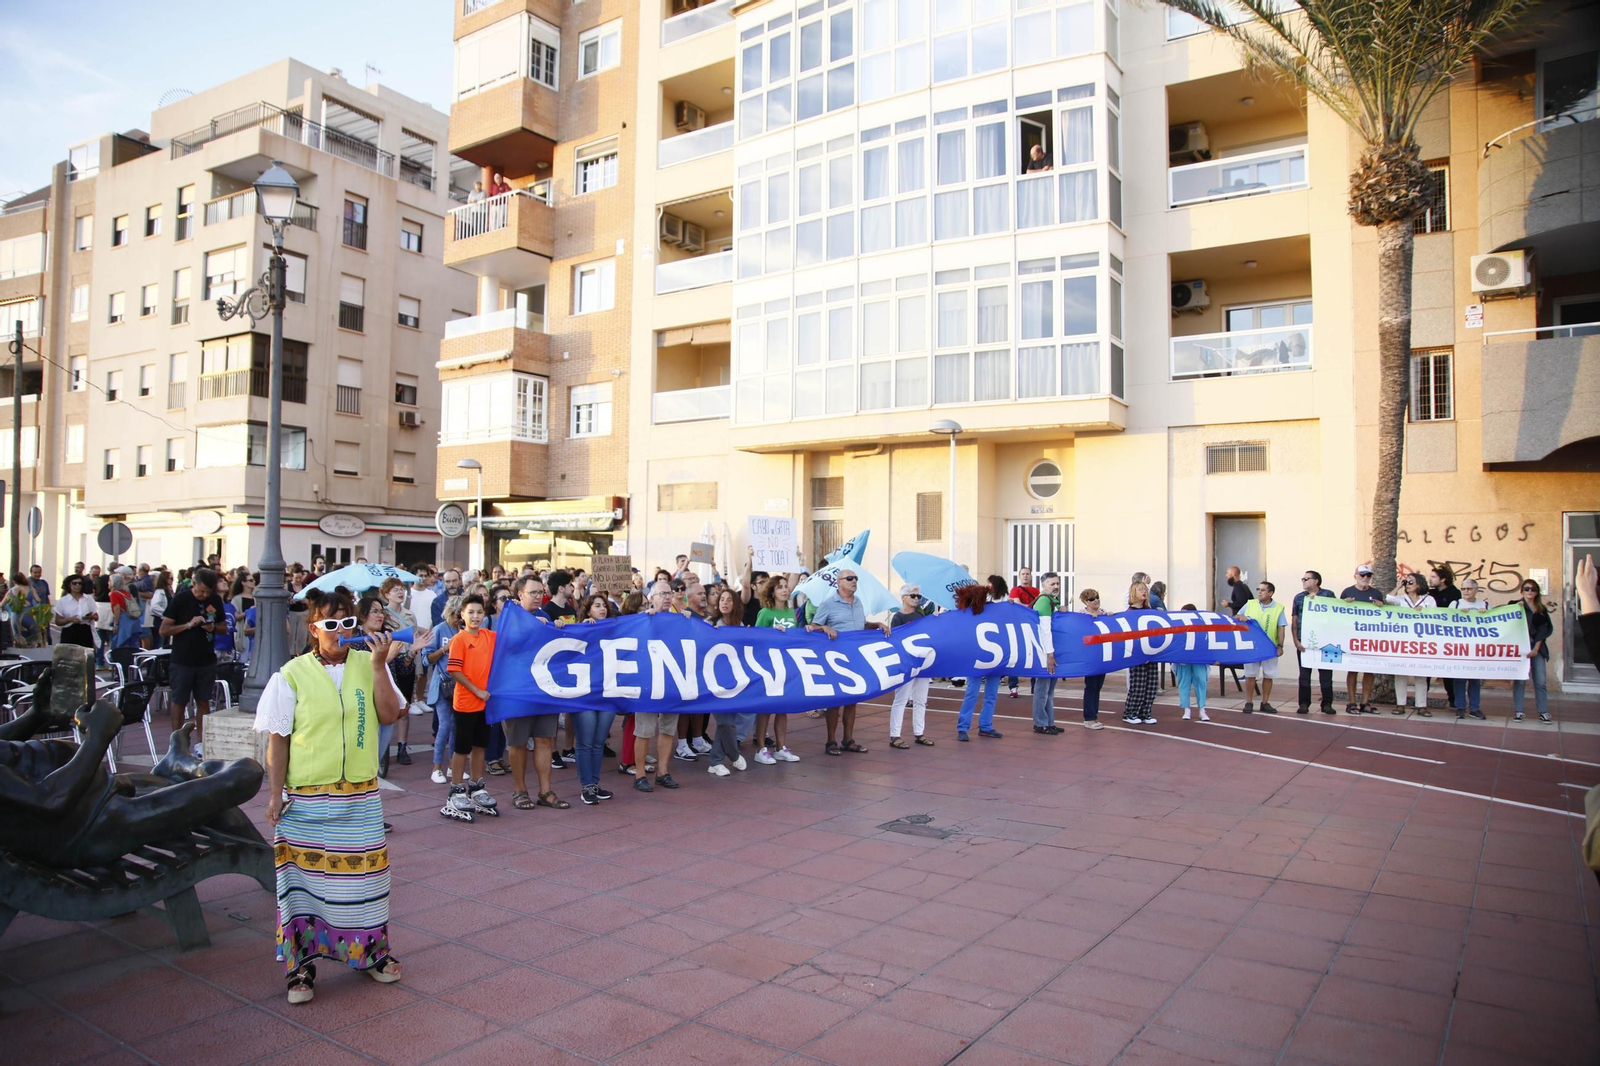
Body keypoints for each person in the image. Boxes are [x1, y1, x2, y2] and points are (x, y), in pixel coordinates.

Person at [255, 586, 404, 1005]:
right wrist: (273, 795)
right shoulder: (291, 674)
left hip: (358, 798)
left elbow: (390, 715)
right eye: (331, 623)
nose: (341, 631)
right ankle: (301, 967)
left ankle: (371, 954)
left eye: (348, 622)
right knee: (301, 887)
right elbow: (278, 740)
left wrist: (378, 666)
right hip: (306, 800)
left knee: (367, 883)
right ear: (314, 627)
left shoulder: (370, 663)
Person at [808, 567, 885, 754]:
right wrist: (825, 627)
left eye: (856, 578)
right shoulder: (828, 604)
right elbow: (812, 627)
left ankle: (848, 740)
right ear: (839, 582)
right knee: (836, 700)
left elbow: (861, 625)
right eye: (849, 578)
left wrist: (878, 625)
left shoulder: (858, 602)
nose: (854, 581)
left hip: (856, 657)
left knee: (853, 700)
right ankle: (831, 741)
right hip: (836, 659)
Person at [440, 594, 501, 821]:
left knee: (480, 746)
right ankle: (456, 789)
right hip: (467, 702)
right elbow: (454, 670)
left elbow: (513, 635)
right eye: (471, 612)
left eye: (479, 612)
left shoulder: (488, 636)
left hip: (485, 703)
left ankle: (476, 786)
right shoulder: (459, 639)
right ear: (462, 615)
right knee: (462, 747)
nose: (475, 616)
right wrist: (476, 690)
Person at [631, 582, 682, 793]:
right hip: (649, 682)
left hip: (673, 681)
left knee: (668, 728)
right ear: (651, 598)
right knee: (644, 730)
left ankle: (663, 771)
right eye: (662, 594)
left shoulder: (681, 620)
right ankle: (640, 773)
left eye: (669, 593)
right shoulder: (643, 620)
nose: (668, 597)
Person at [571, 594, 618, 805]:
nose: (602, 609)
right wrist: (582, 627)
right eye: (597, 606)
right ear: (588, 610)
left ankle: (595, 784)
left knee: (598, 742)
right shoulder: (581, 629)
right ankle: (586, 786)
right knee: (585, 742)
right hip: (585, 695)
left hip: (607, 693)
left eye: (604, 606)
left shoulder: (613, 629)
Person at [752, 573, 804, 761]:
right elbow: (756, 639)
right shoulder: (765, 613)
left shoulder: (791, 612)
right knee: (766, 708)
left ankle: (781, 747)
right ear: (772, 592)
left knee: (783, 707)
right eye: (780, 587)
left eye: (785, 586)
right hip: (768, 665)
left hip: (786, 664)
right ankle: (760, 749)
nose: (785, 589)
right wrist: (772, 633)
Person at [705, 586, 750, 778]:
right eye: (722, 599)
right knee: (725, 721)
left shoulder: (740, 625)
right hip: (713, 681)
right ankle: (731, 754)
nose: (724, 602)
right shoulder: (710, 623)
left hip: (734, 681)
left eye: (729, 599)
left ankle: (715, 762)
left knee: (727, 722)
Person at [886, 584, 936, 749]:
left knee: (921, 700)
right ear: (903, 597)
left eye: (918, 596)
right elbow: (896, 641)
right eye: (913, 596)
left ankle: (919, 733)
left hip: (921, 662)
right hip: (907, 663)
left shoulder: (920, 615)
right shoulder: (898, 618)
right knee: (901, 699)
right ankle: (895, 735)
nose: (916, 599)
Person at [954, 583, 1006, 742]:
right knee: (974, 693)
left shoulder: (992, 609)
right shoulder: (967, 614)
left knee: (988, 694)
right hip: (978, 658)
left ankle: (984, 726)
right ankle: (965, 727)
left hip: (992, 657)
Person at [1386, 574, 1437, 715]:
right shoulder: (1402, 600)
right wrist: (1399, 585)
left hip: (1421, 642)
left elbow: (1435, 617)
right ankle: (1400, 704)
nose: (1407, 584)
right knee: (1401, 674)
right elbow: (1389, 598)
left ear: (1419, 584)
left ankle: (1421, 705)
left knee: (1420, 674)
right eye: (1406, 582)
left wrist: (1424, 612)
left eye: (1410, 582)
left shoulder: (1428, 600)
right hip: (1403, 641)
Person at [423, 596, 461, 784]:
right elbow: (426, 658)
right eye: (455, 614)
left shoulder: (464, 630)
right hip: (442, 685)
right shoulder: (439, 630)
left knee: (456, 728)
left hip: (460, 686)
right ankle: (436, 767)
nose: (457, 618)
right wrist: (445, 648)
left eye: (460, 614)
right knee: (445, 726)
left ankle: (453, 766)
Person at [1339, 565, 1385, 714]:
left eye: (1368, 575)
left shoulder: (1376, 593)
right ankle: (1351, 702)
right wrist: (1345, 603)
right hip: (1352, 636)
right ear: (1356, 575)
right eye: (1362, 575)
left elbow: (1384, 615)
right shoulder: (1347, 592)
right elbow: (1338, 612)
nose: (1365, 578)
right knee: (1352, 669)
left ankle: (1365, 702)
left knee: (1369, 670)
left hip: (1370, 638)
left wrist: (1381, 606)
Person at [1290, 570, 1336, 714]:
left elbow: (1336, 613)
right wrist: (1296, 640)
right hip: (1305, 642)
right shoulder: (1299, 598)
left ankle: (1327, 704)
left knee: (1326, 675)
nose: (1303, 581)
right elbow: (1294, 620)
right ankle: (1304, 704)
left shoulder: (1328, 595)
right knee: (1304, 675)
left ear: (1316, 581)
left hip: (1324, 641)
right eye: (1302, 579)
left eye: (1306, 579)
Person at [1239, 580, 1286, 714]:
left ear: (1270, 593)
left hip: (1270, 646)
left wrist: (1280, 646)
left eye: (1263, 590)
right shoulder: (1250, 604)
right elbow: (1237, 616)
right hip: (1251, 646)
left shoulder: (1278, 608)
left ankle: (1265, 702)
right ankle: (1249, 702)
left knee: (1269, 675)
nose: (1259, 592)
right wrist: (1241, 617)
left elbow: (1281, 628)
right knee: (1250, 675)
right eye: (1258, 589)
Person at [1512, 578, 1552, 724]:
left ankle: (1543, 711)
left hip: (1537, 650)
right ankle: (1519, 711)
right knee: (1520, 681)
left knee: (1540, 681)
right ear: (1522, 591)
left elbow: (1544, 630)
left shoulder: (1541, 610)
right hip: (1521, 650)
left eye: (1533, 589)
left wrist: (1536, 648)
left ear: (1537, 592)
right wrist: (1516, 608)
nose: (1530, 591)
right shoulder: (1514, 605)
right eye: (1527, 588)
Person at [1031, 573, 1065, 735]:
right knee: (1042, 690)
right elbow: (1044, 630)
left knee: (1049, 691)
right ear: (1043, 586)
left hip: (1051, 650)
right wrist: (1049, 654)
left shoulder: (1052, 601)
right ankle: (1041, 723)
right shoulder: (1044, 601)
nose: (1056, 586)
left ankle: (1049, 722)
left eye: (1057, 583)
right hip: (1045, 652)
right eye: (1052, 584)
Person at [1451, 578, 1489, 721]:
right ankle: (1460, 707)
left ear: (1476, 590)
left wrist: (1484, 615)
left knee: (1475, 679)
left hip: (1476, 648)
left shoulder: (1484, 605)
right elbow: (1445, 621)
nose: (1466, 592)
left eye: (1469, 589)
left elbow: (1493, 623)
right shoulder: (1455, 604)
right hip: (1460, 647)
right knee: (1459, 678)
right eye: (1463, 589)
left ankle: (1475, 708)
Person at [1123, 582, 1160, 724]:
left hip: (1152, 652)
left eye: (1145, 589)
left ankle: (1146, 713)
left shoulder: (1150, 610)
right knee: (1138, 685)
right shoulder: (1130, 612)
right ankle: (1130, 713)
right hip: (1137, 653)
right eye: (1140, 589)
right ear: (1134, 592)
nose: (1144, 591)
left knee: (1151, 685)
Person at [1174, 603, 1211, 721]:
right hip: (1183, 660)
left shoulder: (1201, 626)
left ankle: (1202, 709)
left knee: (1201, 681)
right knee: (1184, 683)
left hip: (1198, 659)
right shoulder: (1178, 627)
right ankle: (1186, 709)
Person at [1077, 588, 1107, 730]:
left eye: (1097, 597)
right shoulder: (1081, 615)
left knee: (1098, 686)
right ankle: (1089, 717)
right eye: (1091, 599)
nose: (1095, 600)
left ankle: (1095, 715)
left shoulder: (1104, 613)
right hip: (1090, 655)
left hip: (1103, 654)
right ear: (1085, 602)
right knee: (1091, 686)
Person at [54, 573, 98, 648]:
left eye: (80, 583)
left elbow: (96, 617)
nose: (77, 585)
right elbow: (58, 621)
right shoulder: (63, 601)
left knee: (85, 656)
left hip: (85, 630)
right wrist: (70, 619)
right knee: (68, 657)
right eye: (74, 583)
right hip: (69, 631)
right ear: (69, 585)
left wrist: (89, 617)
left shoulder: (88, 599)